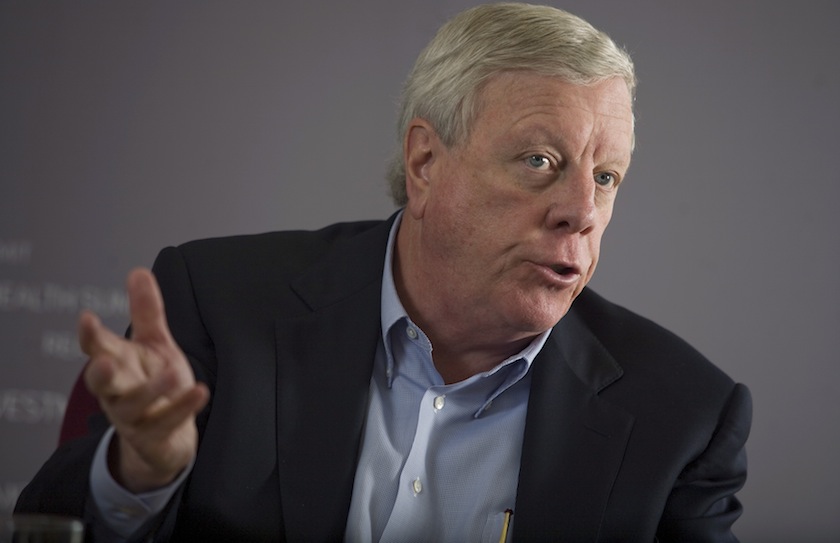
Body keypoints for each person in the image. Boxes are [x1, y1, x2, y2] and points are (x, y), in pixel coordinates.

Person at [16, 3, 751, 542]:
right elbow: (47, 525)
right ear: (425, 162)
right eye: (540, 161)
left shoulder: (682, 416)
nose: (581, 212)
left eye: (607, 177)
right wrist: (142, 475)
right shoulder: (219, 305)